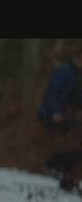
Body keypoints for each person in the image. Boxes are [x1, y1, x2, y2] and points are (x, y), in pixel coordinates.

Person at [37, 46, 82, 190]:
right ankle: (53, 166)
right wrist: (55, 112)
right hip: (54, 115)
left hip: (72, 117)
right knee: (70, 141)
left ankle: (68, 176)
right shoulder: (64, 71)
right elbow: (52, 92)